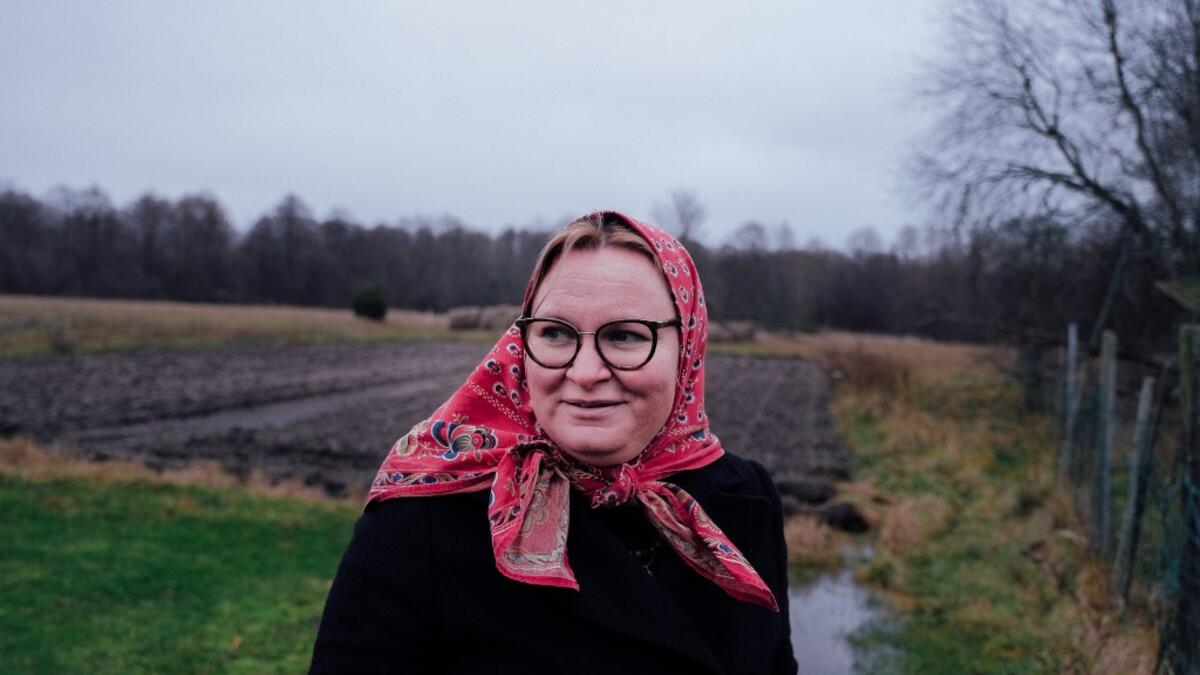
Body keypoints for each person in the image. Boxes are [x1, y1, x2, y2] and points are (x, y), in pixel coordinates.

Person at [309, 211, 797, 675]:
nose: (584, 373)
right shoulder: (423, 521)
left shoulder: (744, 497)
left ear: (687, 346)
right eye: (556, 333)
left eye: (626, 336)